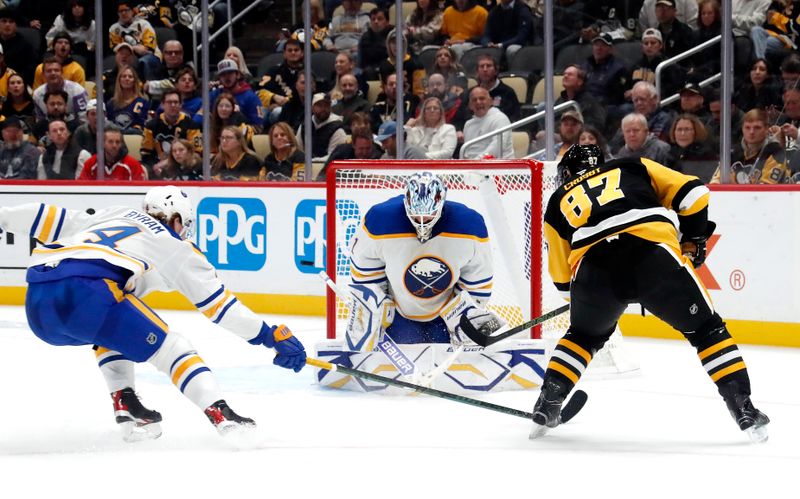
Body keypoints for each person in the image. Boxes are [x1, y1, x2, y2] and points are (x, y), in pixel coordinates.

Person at [0, 185, 306, 441]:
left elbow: (48, 216)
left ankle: (125, 401)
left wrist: (3, 217)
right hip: (87, 293)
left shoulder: (114, 214)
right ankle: (219, 412)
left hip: (38, 303)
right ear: (175, 219)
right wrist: (269, 335)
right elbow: (221, 307)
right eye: (184, 225)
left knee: (116, 322)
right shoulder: (172, 243)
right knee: (173, 347)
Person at [530, 144, 770, 443]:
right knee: (707, 331)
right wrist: (693, 237)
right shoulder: (630, 166)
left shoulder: (557, 200)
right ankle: (743, 409)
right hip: (652, 257)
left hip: (593, 273)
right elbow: (694, 193)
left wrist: (584, 305)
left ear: (566, 172)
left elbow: (563, 280)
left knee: (582, 337)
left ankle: (548, 401)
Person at [344, 171, 503, 351]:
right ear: (406, 202)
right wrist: (373, 308)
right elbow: (365, 271)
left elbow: (478, 279)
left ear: (441, 203)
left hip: (445, 317)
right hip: (398, 314)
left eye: (427, 215)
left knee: (445, 361)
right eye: (416, 215)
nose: (421, 222)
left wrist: (468, 317)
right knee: (406, 345)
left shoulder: (469, 225)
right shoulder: (379, 221)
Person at [141, 88, 202, 175]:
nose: (173, 105)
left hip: (184, 168)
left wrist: (170, 163)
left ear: (181, 105)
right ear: (162, 104)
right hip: (157, 167)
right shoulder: (151, 125)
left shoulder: (191, 125)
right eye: (169, 102)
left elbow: (197, 153)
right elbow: (146, 153)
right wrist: (154, 166)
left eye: (176, 102)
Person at [108, 0, 162, 81]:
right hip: (127, 57)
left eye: (126, 10)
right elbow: (115, 49)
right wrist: (135, 48)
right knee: (113, 62)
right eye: (120, 11)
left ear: (132, 11)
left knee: (143, 61)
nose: (123, 13)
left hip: (151, 56)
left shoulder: (144, 24)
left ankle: (146, 87)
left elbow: (148, 50)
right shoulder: (114, 28)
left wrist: (128, 48)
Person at [461, 86, 514, 159]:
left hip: (499, 166)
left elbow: (496, 149)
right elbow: (467, 152)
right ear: (470, 105)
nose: (478, 102)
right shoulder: (468, 124)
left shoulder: (500, 118)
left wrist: (474, 163)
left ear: (491, 101)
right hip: (473, 167)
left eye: (482, 98)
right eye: (474, 100)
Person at [79, 128, 148, 181]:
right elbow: (81, 187)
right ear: (103, 144)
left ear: (121, 144)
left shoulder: (132, 164)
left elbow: (139, 192)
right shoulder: (91, 163)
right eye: (110, 142)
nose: (114, 145)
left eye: (117, 142)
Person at [666, 113, 718, 181]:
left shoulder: (706, 155)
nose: (683, 133)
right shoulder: (670, 154)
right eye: (679, 129)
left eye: (687, 129)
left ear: (696, 131)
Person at [206, 91, 255, 155]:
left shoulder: (240, 122)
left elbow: (239, 148)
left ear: (233, 108)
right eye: (220, 106)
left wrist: (237, 115)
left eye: (227, 106)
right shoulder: (214, 124)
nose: (224, 109)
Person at [106, 65, 149, 134]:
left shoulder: (142, 102)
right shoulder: (111, 103)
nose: (127, 79)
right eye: (124, 76)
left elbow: (142, 125)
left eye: (130, 76)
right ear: (119, 80)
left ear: (134, 81)